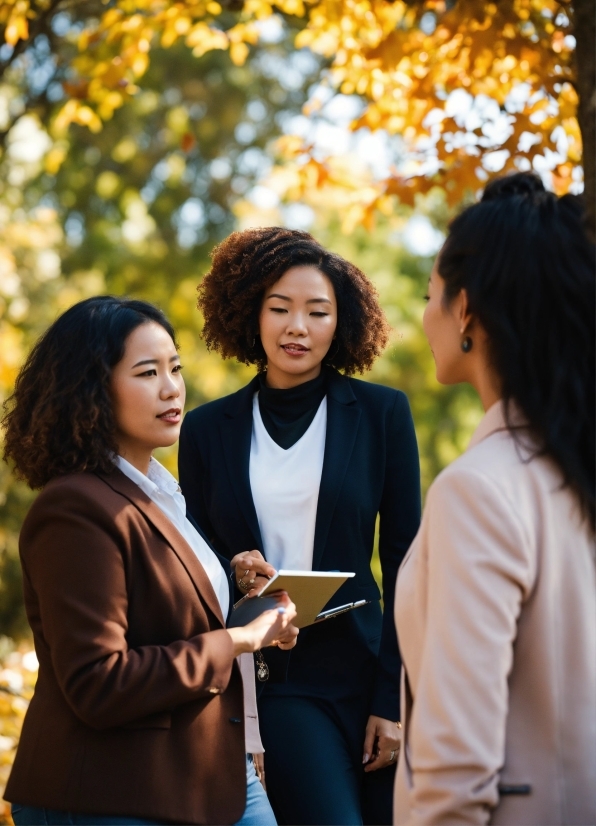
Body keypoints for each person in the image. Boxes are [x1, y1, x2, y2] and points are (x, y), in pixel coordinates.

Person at [1, 296, 299, 826]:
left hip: (204, 777)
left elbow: (154, 604)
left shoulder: (159, 494)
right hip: (107, 794)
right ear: (92, 388)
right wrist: (240, 640)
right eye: (148, 372)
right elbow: (100, 681)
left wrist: (230, 586)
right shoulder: (75, 506)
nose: (172, 387)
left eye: (175, 368)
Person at [178, 228, 422, 826]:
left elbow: (407, 565)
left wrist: (394, 700)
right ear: (251, 315)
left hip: (369, 671)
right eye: (280, 308)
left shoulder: (384, 415)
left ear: (341, 323)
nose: (298, 327)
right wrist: (234, 568)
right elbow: (196, 559)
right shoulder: (208, 429)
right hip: (277, 677)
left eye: (318, 312)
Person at [394, 173, 596, 825]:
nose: (425, 315)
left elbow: (456, 776)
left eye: (430, 295)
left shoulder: (478, 490)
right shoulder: (569, 466)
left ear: (467, 310)